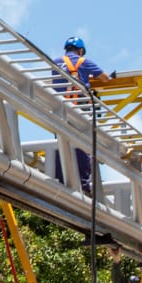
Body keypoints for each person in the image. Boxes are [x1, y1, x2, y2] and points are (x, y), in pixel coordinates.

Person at [52, 36, 111, 195]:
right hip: (79, 110)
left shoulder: (56, 62)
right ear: (80, 51)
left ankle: (60, 178)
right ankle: (84, 184)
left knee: (61, 143)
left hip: (59, 110)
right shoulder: (84, 62)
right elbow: (105, 78)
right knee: (83, 146)